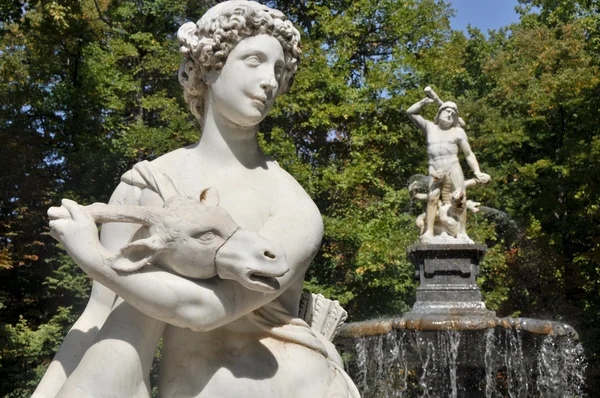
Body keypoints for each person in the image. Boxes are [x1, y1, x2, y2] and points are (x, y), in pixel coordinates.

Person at [33, 2, 359, 397]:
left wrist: (95, 257)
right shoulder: (146, 183)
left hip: (285, 386)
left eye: (278, 70)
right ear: (208, 65)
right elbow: (100, 314)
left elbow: (207, 310)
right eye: (253, 60)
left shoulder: (292, 204)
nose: (270, 80)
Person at [406, 95, 490, 242]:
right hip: (435, 168)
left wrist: (477, 171)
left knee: (461, 199)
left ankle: (463, 232)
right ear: (439, 113)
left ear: (455, 118)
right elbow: (410, 112)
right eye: (446, 111)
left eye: (453, 113)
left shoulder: (458, 132)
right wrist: (425, 101)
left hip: (453, 166)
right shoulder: (429, 127)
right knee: (432, 198)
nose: (449, 115)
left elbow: (469, 154)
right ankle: (429, 232)